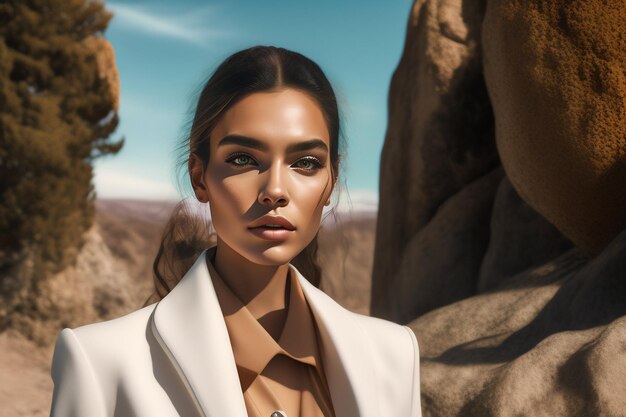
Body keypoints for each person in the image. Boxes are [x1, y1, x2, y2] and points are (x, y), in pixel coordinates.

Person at [48, 45, 422, 417]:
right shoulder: (100, 364)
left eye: (306, 163)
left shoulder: (394, 356)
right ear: (200, 177)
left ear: (331, 184)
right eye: (243, 159)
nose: (275, 190)